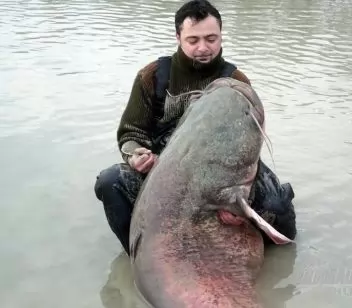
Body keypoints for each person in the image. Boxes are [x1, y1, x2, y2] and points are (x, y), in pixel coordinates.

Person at [94, 0, 296, 255]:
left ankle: (253, 256)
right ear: (178, 37)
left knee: (278, 207)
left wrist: (232, 193)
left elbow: (248, 143)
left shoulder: (236, 81)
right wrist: (137, 156)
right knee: (109, 182)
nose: (203, 48)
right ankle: (143, 257)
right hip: (164, 170)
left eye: (211, 39)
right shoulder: (153, 76)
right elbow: (131, 132)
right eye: (193, 40)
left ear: (221, 36)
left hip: (220, 174)